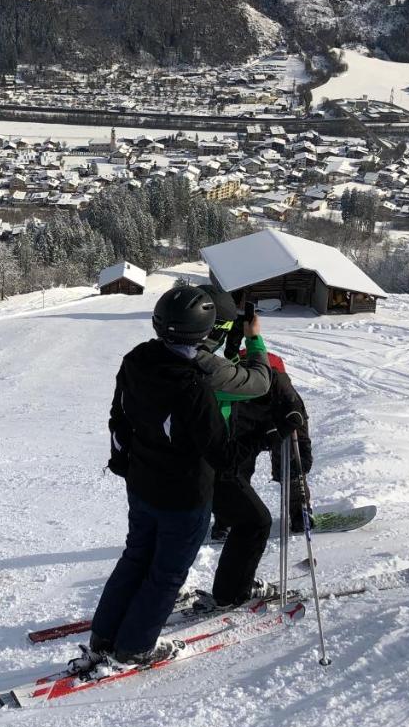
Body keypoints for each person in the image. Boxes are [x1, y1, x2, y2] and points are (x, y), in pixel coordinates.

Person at [80, 285, 271, 671]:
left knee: (135, 559)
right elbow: (221, 453)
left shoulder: (137, 359)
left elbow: (119, 416)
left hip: (143, 482)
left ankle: (103, 638)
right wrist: (262, 438)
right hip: (184, 494)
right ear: (206, 331)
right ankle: (134, 648)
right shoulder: (194, 385)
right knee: (166, 574)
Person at [197, 293, 312, 610]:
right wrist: (247, 336)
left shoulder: (279, 386)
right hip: (232, 440)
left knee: (286, 466)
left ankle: (300, 513)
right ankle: (225, 531)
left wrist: (298, 468)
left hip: (268, 428)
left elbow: (296, 432)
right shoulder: (236, 376)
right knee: (241, 490)